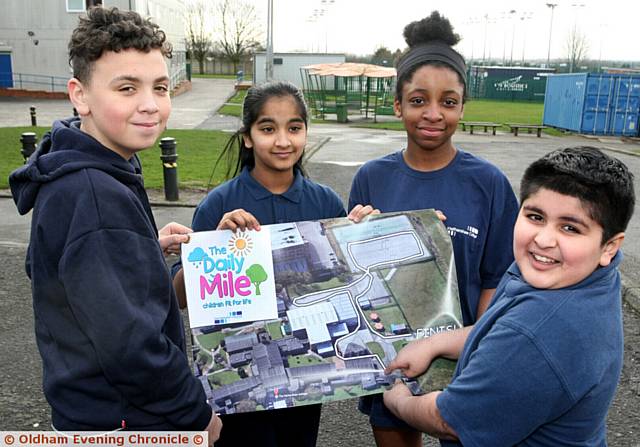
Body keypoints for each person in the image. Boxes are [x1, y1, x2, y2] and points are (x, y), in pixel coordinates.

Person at [8, 7, 221, 443]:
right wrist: (197, 414)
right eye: (127, 88)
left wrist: (140, 247)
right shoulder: (92, 192)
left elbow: (66, 272)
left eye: (160, 88)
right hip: (125, 422)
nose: (150, 104)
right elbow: (130, 347)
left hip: (88, 412)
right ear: (80, 95)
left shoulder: (88, 169)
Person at [383, 146, 635, 446]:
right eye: (535, 216)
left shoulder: (539, 333)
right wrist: (433, 343)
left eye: (570, 228)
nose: (542, 240)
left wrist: (397, 398)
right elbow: (497, 326)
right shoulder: (575, 273)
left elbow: (450, 420)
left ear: (610, 246)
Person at [348, 11, 519, 447]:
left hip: (463, 363)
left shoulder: (490, 184)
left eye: (448, 101)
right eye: (419, 99)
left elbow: (497, 279)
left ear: (463, 106)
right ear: (398, 104)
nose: (433, 114)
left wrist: (478, 354)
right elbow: (355, 271)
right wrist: (356, 236)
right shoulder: (372, 178)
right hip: (391, 357)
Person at [172, 81, 346, 446]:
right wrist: (211, 251)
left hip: (304, 375)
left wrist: (360, 232)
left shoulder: (327, 204)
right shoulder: (219, 205)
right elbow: (179, 298)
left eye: (294, 128)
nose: (283, 140)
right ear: (248, 137)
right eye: (268, 128)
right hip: (240, 377)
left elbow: (343, 277)